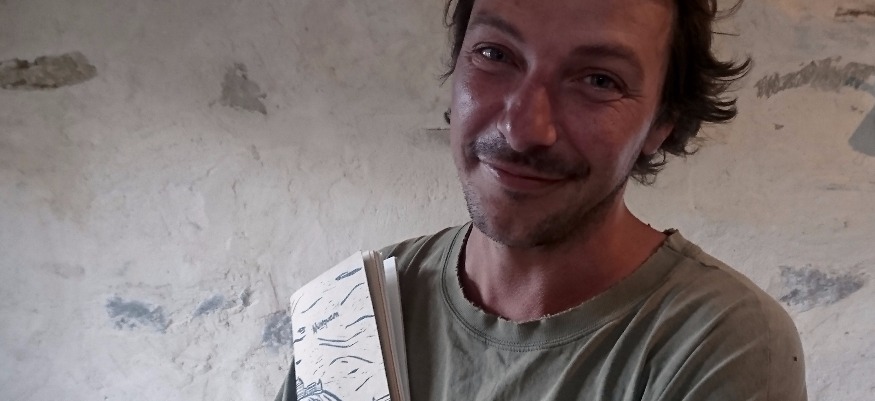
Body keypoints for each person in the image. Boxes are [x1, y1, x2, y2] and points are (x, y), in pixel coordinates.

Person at [277, 0, 808, 399]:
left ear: (662, 123)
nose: (523, 128)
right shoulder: (352, 313)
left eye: (599, 80)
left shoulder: (716, 342)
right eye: (494, 54)